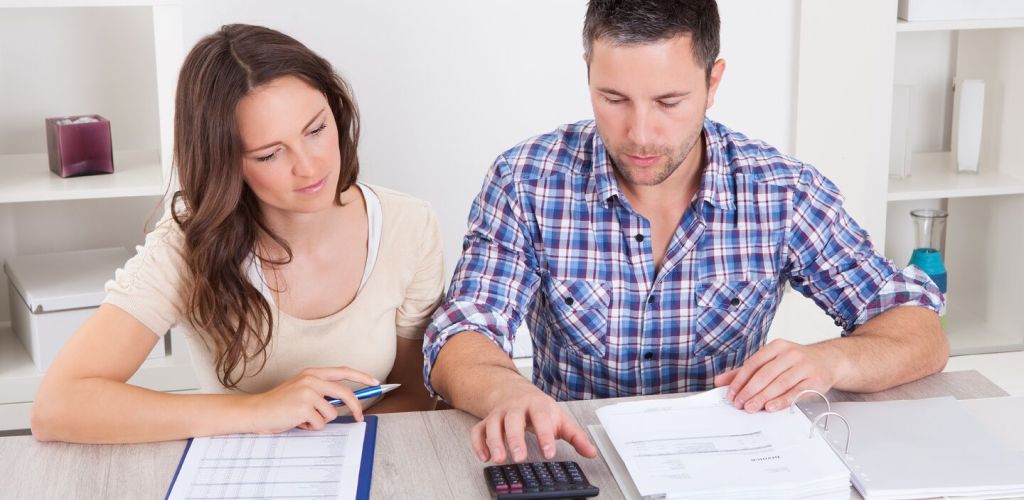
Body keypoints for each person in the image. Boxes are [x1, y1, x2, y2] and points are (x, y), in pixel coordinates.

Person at [424, 0, 947, 465]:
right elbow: (461, 334)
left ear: (713, 82)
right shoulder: (527, 180)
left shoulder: (781, 190)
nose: (640, 133)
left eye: (669, 102)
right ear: (588, 72)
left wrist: (830, 360)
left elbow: (919, 332)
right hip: (581, 462)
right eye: (613, 98)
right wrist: (505, 392)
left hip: (733, 467)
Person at [31, 24, 445, 443]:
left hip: (367, 460)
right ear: (226, 164)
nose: (310, 167)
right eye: (269, 153)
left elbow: (416, 392)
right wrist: (260, 409)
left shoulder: (408, 225)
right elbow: (57, 406)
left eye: (316, 130)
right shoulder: (188, 245)